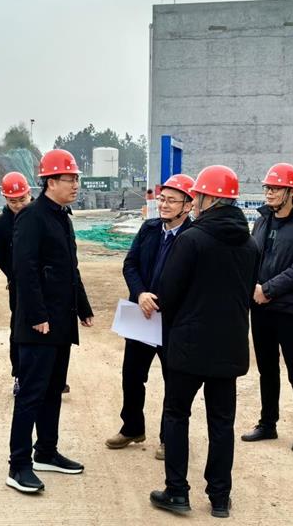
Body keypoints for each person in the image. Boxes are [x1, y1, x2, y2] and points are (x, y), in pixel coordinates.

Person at [150, 165, 259, 519]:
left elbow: (168, 293)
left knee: (176, 415)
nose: (194, 202)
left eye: (197, 196)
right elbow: (247, 291)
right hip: (229, 347)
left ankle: (177, 492)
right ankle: (220, 498)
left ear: (209, 198)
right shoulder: (250, 243)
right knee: (222, 423)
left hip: (189, 347)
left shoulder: (191, 240)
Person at [6, 149, 94, 495]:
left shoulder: (62, 217)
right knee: (31, 394)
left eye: (76, 179)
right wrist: (37, 315)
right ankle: (18, 465)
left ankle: (46, 451)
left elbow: (70, 268)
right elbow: (24, 270)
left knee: (53, 389)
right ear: (50, 182)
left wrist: (82, 306)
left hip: (60, 321)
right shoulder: (32, 217)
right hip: (38, 325)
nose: (75, 184)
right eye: (70, 179)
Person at [106, 174, 195, 461]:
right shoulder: (149, 228)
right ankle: (132, 427)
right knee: (132, 376)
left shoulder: (194, 237)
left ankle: (170, 438)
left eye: (172, 200)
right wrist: (141, 293)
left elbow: (194, 282)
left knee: (174, 382)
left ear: (188, 205)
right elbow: (130, 264)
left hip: (173, 322)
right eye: (162, 199)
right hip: (142, 318)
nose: (164, 205)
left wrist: (164, 302)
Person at [241, 163, 293, 452]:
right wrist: (252, 288)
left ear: (291, 191)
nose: (269, 192)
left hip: (288, 309)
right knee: (266, 368)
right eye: (267, 187)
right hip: (260, 307)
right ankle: (267, 423)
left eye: (275, 188)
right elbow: (252, 257)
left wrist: (268, 290)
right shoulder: (262, 222)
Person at [0, 171, 32, 396]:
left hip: (46, 284)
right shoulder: (1, 224)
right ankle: (20, 375)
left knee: (50, 331)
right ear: (5, 198)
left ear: (29, 193)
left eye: (22, 199)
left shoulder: (40, 216)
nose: (18, 205)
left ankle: (51, 377)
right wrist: (13, 274)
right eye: (12, 201)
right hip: (19, 287)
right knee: (19, 330)